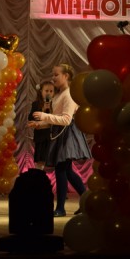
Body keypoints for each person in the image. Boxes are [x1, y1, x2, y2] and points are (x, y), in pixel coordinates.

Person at [27, 63, 91, 216]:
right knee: (67, 170)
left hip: (67, 135)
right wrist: (40, 124)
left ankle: (61, 208)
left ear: (66, 76)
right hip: (60, 134)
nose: (53, 78)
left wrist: (44, 116)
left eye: (56, 75)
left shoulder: (69, 94)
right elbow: (56, 118)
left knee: (61, 169)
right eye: (53, 74)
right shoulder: (60, 94)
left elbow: (66, 120)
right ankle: (87, 203)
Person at [30, 80, 55, 170]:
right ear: (41, 91)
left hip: (52, 136)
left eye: (51, 91)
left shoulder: (56, 104)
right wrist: (42, 110)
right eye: (46, 91)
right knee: (40, 160)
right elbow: (30, 117)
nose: (49, 93)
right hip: (40, 136)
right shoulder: (36, 104)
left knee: (52, 161)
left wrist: (50, 110)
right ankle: (39, 175)